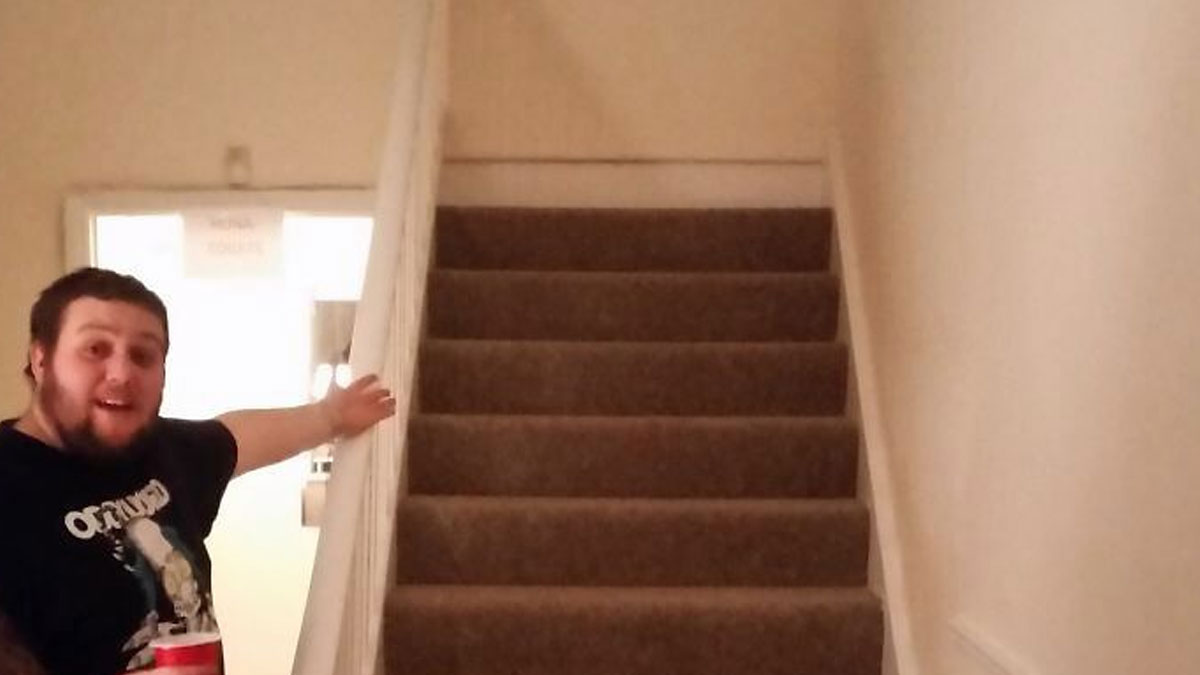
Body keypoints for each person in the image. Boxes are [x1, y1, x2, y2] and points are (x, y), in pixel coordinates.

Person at [0, 268, 396, 675]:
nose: (121, 373)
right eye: (95, 349)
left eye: (143, 355)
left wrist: (330, 416)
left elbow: (236, 437)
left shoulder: (160, 450)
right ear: (41, 360)